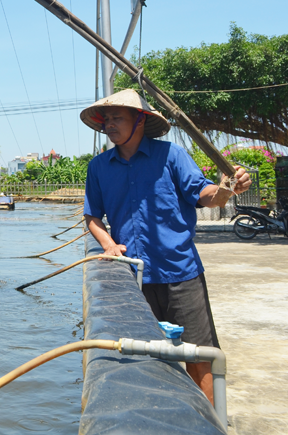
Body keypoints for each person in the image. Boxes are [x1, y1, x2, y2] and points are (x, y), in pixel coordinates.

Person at [80, 89, 251, 404]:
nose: (109, 125)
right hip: (134, 280)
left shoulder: (171, 157)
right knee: (144, 358)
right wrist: (108, 244)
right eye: (107, 119)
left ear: (140, 120)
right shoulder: (99, 167)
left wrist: (227, 187)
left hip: (180, 273)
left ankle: (210, 420)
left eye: (118, 117)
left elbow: (205, 194)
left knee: (199, 355)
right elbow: (92, 215)